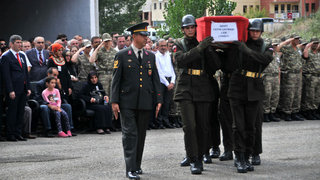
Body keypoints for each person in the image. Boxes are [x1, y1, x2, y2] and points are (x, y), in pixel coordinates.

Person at [110, 22, 162, 179]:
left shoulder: (150, 56)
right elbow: (116, 80)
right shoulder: (122, 55)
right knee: (130, 135)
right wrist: (114, 101)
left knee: (140, 135)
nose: (146, 38)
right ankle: (130, 169)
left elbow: (155, 79)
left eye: (147, 35)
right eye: (143, 35)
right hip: (127, 102)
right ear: (134, 36)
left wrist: (158, 99)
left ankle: (137, 165)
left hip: (145, 101)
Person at [174, 15, 220, 174]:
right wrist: (200, 48)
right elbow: (181, 60)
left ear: (196, 27)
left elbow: (215, 66)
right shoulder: (179, 44)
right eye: (187, 28)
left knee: (202, 126)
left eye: (192, 27)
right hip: (185, 86)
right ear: (183, 29)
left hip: (202, 87)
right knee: (189, 126)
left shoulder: (204, 43)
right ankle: (193, 158)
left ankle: (198, 156)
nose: (190, 30)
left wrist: (209, 49)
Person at [228, 19, 273, 173]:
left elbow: (265, 59)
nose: (254, 33)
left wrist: (245, 50)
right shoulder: (240, 44)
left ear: (261, 32)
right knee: (238, 126)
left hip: (254, 88)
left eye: (257, 31)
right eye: (252, 30)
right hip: (238, 87)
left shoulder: (266, 47)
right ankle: (239, 156)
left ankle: (248, 155)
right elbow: (229, 63)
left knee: (251, 126)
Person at [1, 34, 31, 141]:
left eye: (20, 42)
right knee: (12, 112)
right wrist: (10, 90)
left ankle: (18, 133)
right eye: (17, 42)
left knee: (20, 112)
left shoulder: (22, 56)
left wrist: (28, 87)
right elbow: (6, 76)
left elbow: (25, 73)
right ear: (11, 44)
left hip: (22, 88)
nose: (20, 44)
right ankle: (11, 134)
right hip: (13, 89)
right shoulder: (6, 57)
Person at [35, 67, 74, 137]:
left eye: (57, 75)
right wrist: (49, 105)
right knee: (44, 107)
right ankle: (48, 130)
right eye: (54, 75)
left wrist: (60, 86)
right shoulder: (40, 84)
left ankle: (68, 129)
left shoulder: (55, 84)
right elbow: (38, 98)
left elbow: (60, 98)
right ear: (48, 74)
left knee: (67, 106)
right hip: (46, 104)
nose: (56, 77)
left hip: (56, 103)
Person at [276, 34, 305, 121]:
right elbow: (278, 48)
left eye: (298, 39)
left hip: (298, 74)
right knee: (289, 94)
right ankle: (287, 112)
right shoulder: (287, 48)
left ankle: (295, 112)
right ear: (292, 40)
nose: (298, 40)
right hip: (290, 74)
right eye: (296, 39)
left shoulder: (298, 49)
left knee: (297, 93)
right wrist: (287, 41)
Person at [155, 39, 176, 129]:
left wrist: (172, 81)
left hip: (169, 80)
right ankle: (159, 122)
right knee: (160, 101)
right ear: (158, 47)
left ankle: (166, 120)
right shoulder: (156, 56)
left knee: (167, 102)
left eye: (165, 46)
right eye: (161, 46)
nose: (163, 48)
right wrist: (167, 83)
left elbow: (172, 69)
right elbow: (159, 71)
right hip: (161, 81)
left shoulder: (168, 55)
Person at [262, 39, 282, 122]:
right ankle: (265, 114)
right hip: (267, 77)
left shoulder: (277, 55)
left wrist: (279, 78)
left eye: (276, 45)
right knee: (267, 95)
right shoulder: (265, 54)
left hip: (275, 77)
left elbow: (278, 67)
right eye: (273, 45)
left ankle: (272, 113)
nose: (275, 47)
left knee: (275, 96)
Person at [300, 37, 320, 120]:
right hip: (310, 76)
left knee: (317, 96)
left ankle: (314, 111)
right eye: (313, 43)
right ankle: (308, 111)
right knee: (309, 96)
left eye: (316, 43)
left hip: (318, 76)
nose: (315, 45)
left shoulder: (318, 53)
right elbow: (305, 55)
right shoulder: (308, 52)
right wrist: (308, 46)